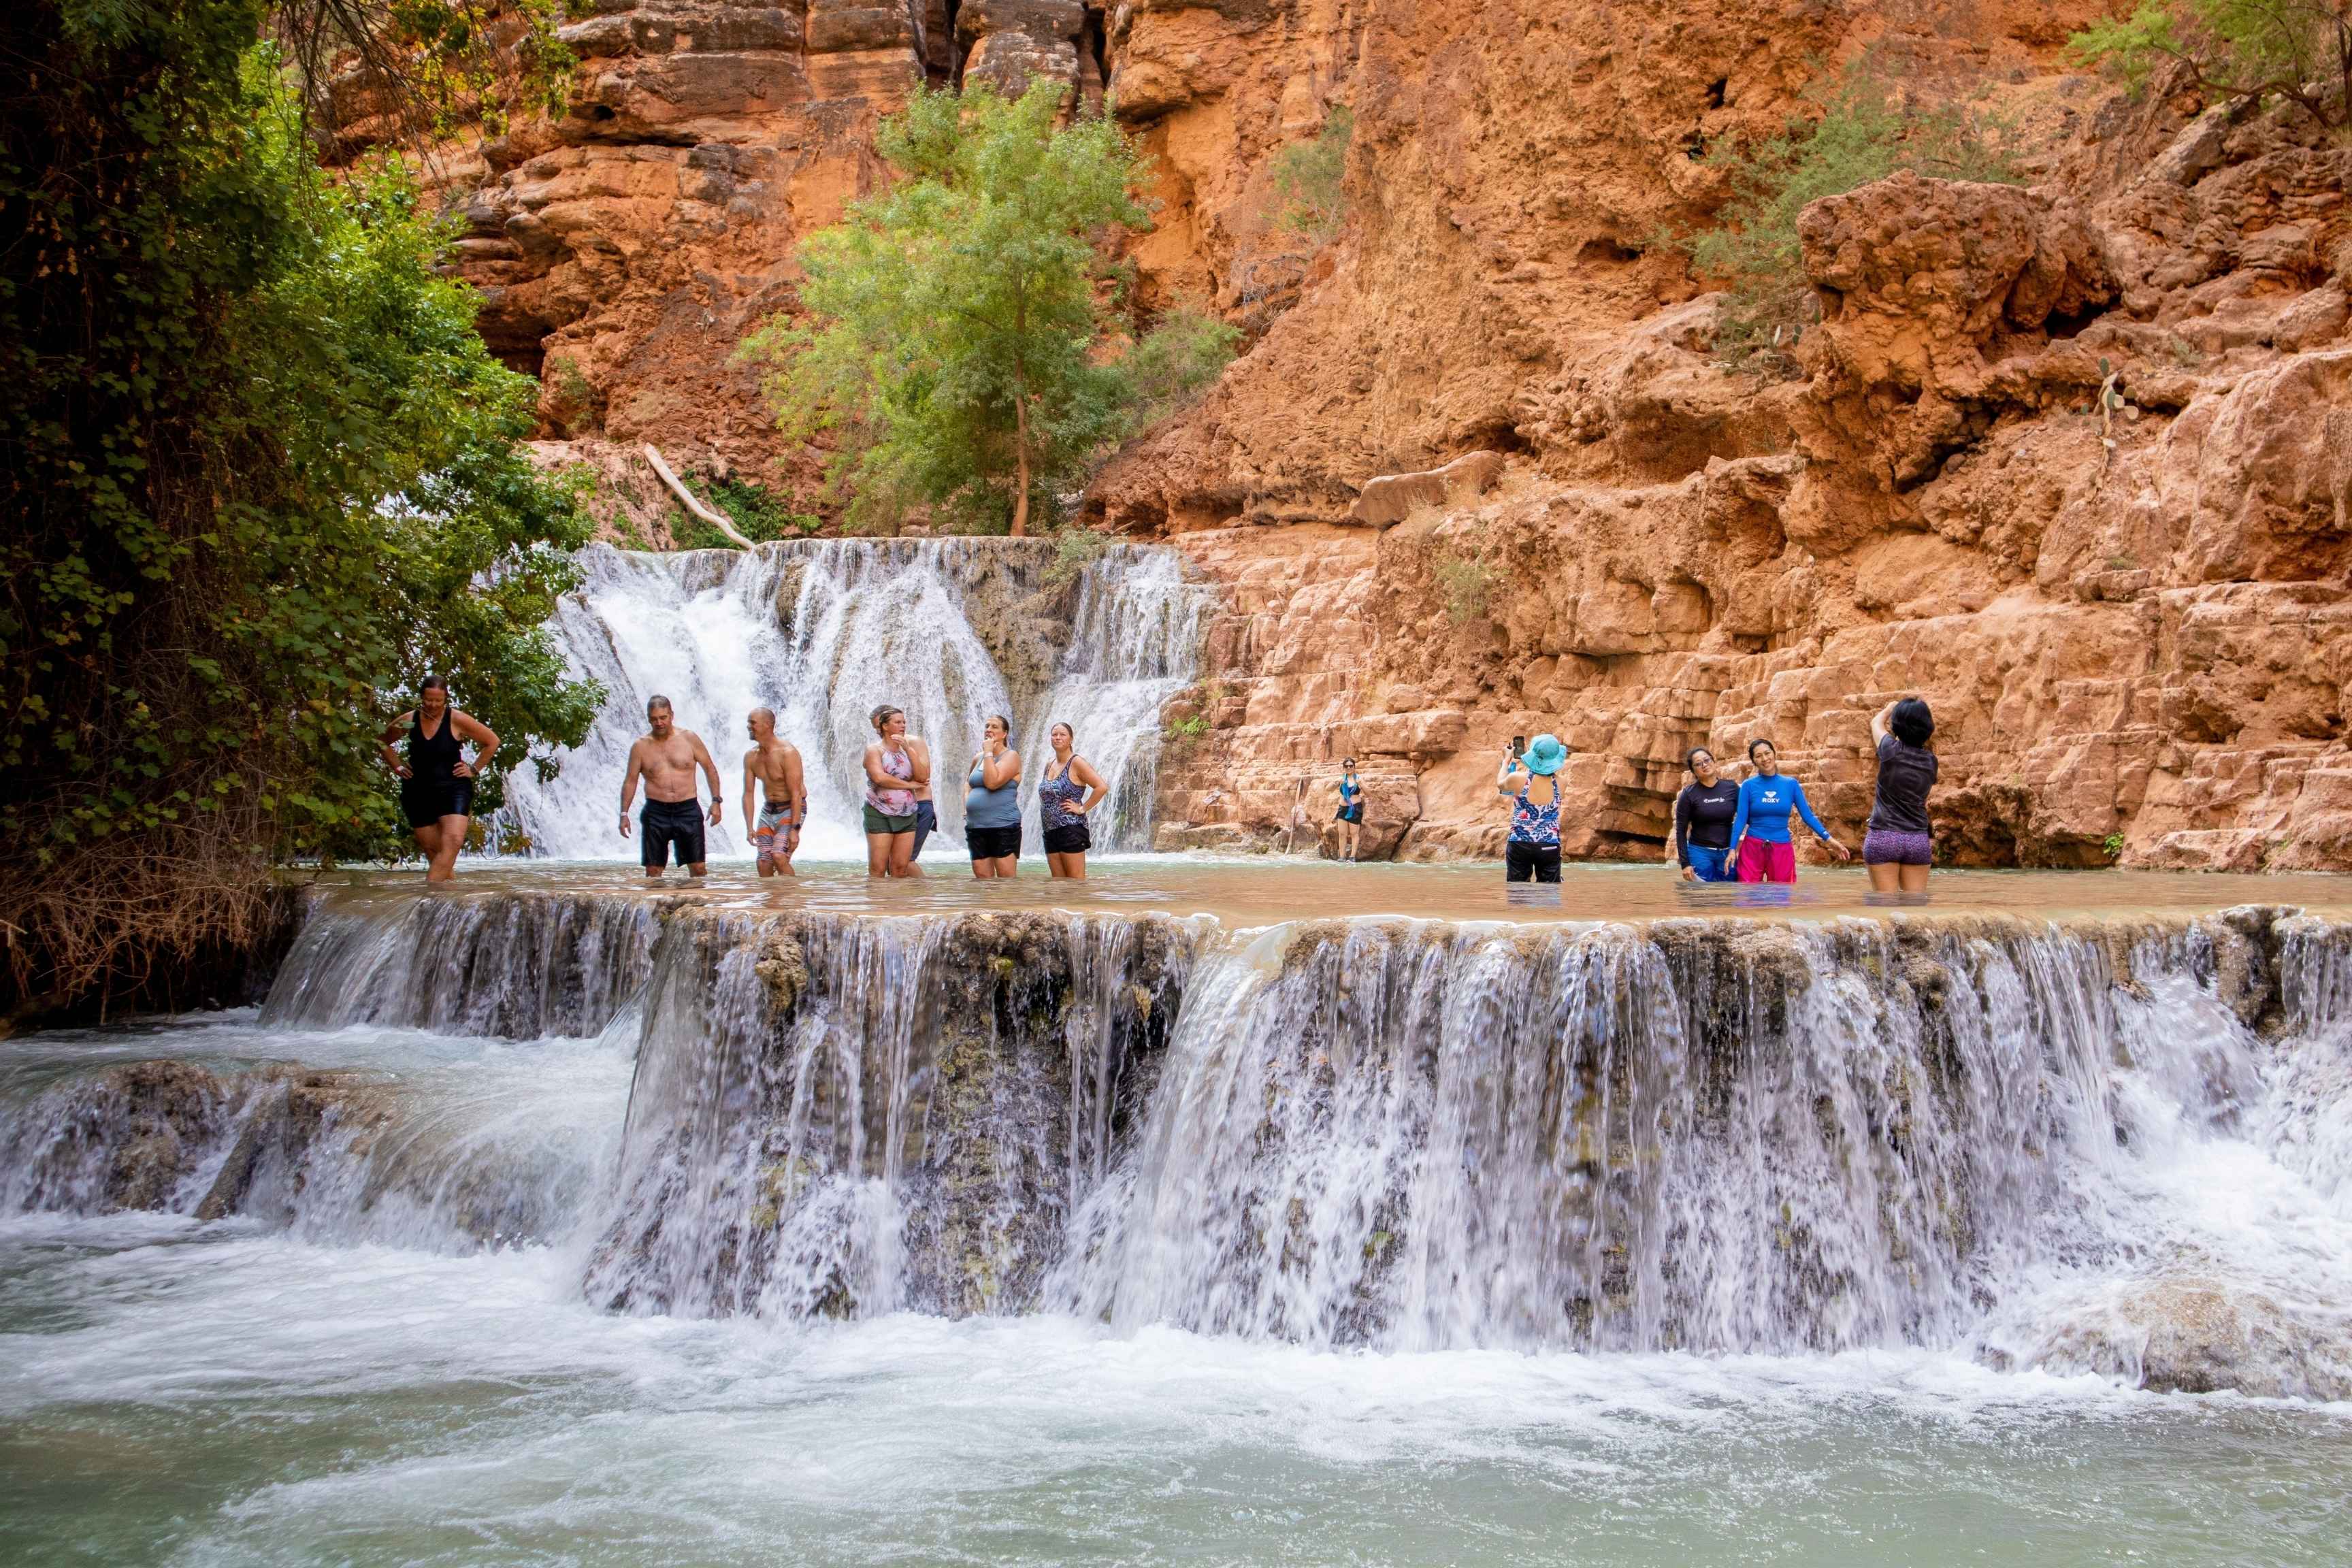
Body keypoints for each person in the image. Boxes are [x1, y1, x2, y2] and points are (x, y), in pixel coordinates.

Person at [378, 676, 498, 884]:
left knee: (454, 841)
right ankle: (446, 898)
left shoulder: (457, 719)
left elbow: (492, 741)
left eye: (438, 701)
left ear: (446, 698)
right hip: (418, 789)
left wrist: (473, 769)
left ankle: (428, 895)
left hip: (453, 787)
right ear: (421, 697)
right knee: (434, 851)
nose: (433, 705)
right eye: (428, 700)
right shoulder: (409, 720)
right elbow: (382, 741)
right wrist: (397, 766)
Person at [619, 695, 723, 878]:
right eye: (654, 719)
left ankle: (696, 898)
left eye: (663, 718)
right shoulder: (640, 746)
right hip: (656, 812)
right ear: (648, 719)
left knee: (698, 868)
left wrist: (716, 801)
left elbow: (710, 768)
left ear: (671, 715)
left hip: (688, 809)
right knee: (653, 871)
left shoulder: (689, 738)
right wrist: (624, 814)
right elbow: (631, 780)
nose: (659, 723)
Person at [1727, 738, 1850, 883]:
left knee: (1782, 894)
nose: (1765, 759)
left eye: (1767, 753)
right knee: (1747, 894)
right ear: (1754, 761)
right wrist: (1732, 849)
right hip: (1753, 848)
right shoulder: (1748, 786)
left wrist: (1830, 840)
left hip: (1782, 848)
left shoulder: (1791, 784)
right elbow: (1741, 820)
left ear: (1774, 754)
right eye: (1759, 756)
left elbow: (1808, 817)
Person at [1863, 697, 1939, 894]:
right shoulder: (1931, 761)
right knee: (1915, 905)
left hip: (1884, 836)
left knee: (1884, 904)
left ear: (1897, 726)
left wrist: (1890, 707)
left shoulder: (1890, 750)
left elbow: (1876, 722)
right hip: (1917, 839)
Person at [862, 705, 928, 878]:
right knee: (878, 869)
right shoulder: (874, 750)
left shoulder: (908, 749)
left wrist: (908, 749)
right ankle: (878, 897)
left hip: (908, 813)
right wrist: (910, 786)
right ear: (885, 726)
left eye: (904, 722)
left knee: (900, 869)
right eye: (898, 722)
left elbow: (923, 777)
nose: (903, 725)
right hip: (879, 812)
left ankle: (898, 897)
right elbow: (880, 778)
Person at [740, 707, 807, 878]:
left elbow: (796, 794)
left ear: (768, 725)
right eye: (748, 722)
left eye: (753, 723)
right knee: (763, 862)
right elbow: (748, 793)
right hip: (769, 809)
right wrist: (749, 827)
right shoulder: (751, 756)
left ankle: (792, 893)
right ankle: (770, 895)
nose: (749, 726)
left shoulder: (788, 753)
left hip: (791, 808)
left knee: (778, 856)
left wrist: (795, 830)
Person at [1039, 721, 1107, 879]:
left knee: (1076, 882)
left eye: (1062, 735)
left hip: (1070, 829)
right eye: (1054, 734)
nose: (1057, 738)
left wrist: (1082, 809)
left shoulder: (1076, 762)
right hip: (1049, 831)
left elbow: (1101, 787)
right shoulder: (1050, 764)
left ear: (1071, 739)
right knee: (1058, 883)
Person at [1497, 733, 1567, 883]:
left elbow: (1501, 785)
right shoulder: (1561, 783)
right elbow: (1542, 775)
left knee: (1518, 890)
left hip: (1520, 843)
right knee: (1549, 892)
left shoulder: (1517, 778)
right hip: (1549, 845)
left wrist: (1506, 760)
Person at [965, 713, 1023, 878]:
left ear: (1004, 734)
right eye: (987, 726)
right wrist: (966, 805)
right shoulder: (978, 758)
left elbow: (992, 782)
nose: (989, 730)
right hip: (976, 827)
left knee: (1006, 882)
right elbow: (968, 783)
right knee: (983, 881)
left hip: (1003, 826)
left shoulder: (1011, 756)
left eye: (994, 727)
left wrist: (989, 752)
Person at [1672, 745, 1741, 883]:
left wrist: (1737, 848)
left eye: (1707, 760)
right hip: (1700, 853)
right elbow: (1681, 831)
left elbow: (1745, 817)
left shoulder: (1732, 788)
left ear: (1713, 761)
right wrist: (1685, 864)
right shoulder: (1688, 795)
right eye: (1698, 764)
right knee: (1703, 894)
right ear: (1693, 771)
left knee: (1729, 892)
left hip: (1727, 852)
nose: (1704, 765)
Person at [904, 724, 937, 868]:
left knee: (906, 860)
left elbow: (924, 777)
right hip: (896, 808)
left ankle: (924, 886)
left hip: (920, 806)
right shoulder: (879, 747)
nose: (877, 731)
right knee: (895, 861)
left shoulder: (914, 742)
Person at [1335, 758, 1365, 862]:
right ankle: (1342, 857)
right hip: (1343, 808)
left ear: (1354, 767)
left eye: (1351, 766)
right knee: (1342, 834)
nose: (1349, 768)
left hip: (1355, 808)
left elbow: (1369, 793)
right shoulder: (1341, 779)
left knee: (1354, 833)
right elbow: (1328, 788)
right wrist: (1337, 782)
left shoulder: (1359, 779)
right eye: (1346, 766)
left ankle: (1352, 857)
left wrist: (1361, 784)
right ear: (1344, 768)